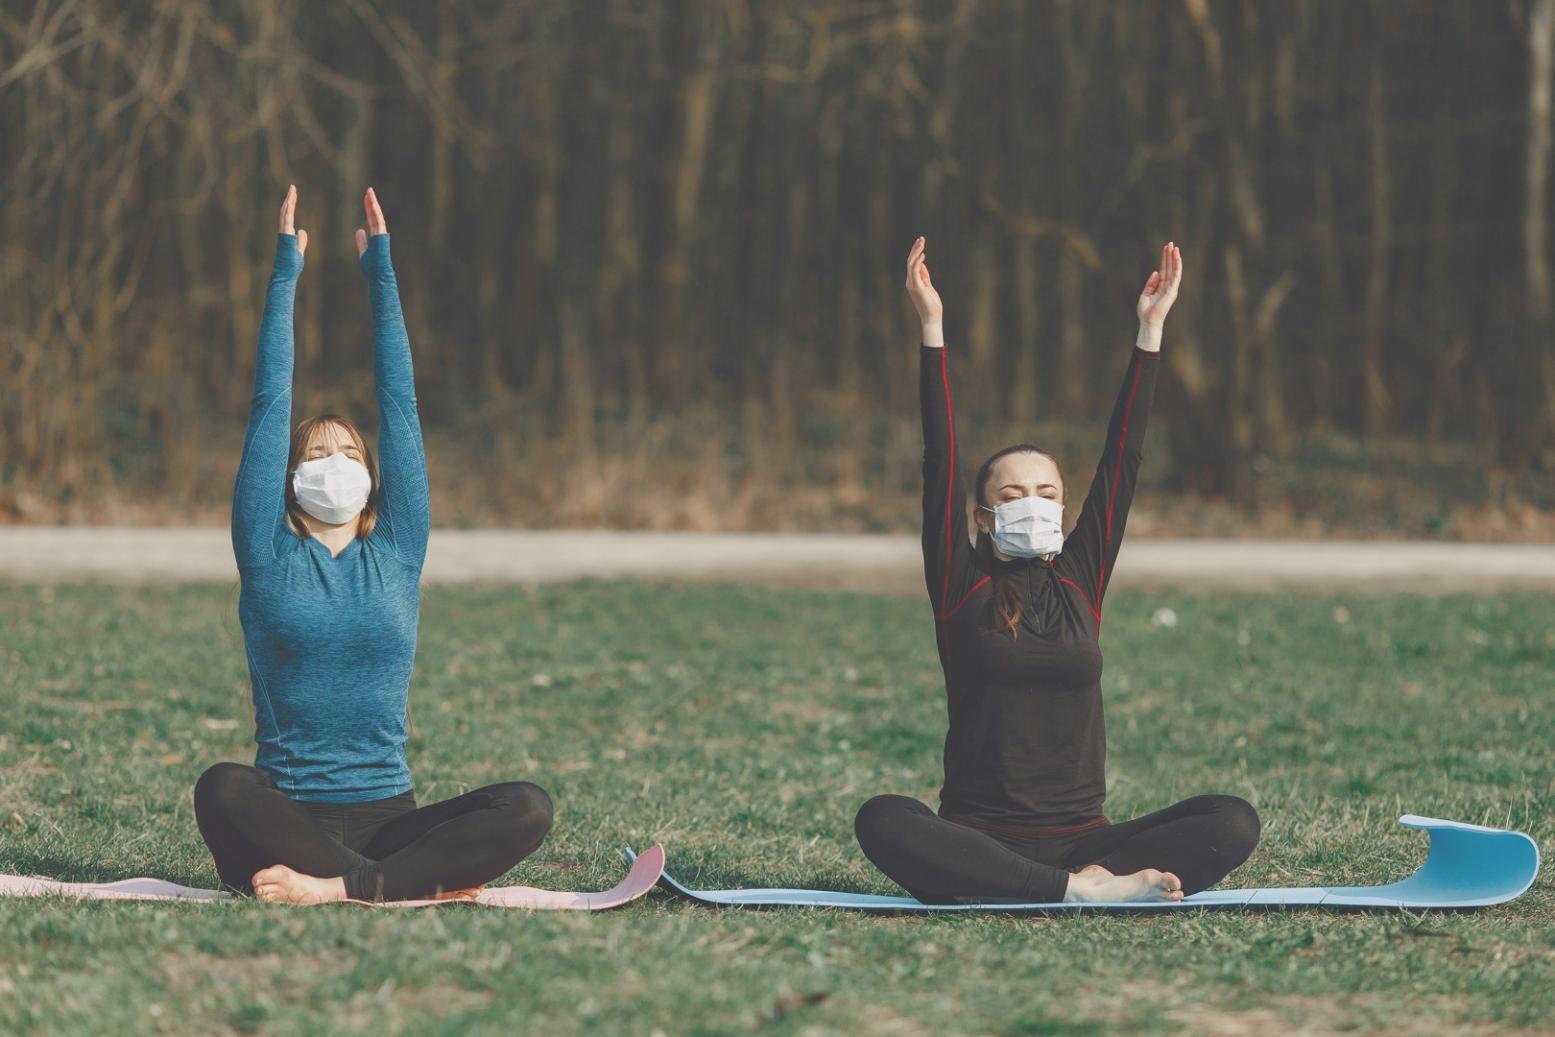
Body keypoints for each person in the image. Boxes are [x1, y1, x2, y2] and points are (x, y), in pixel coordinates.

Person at [853, 237, 1259, 904]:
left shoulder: (1080, 579)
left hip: (1089, 841)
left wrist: (1149, 331)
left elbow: (1122, 461)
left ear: (1065, 506)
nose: (1032, 505)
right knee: (883, 817)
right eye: (1011, 496)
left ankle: (1081, 880)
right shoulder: (961, 586)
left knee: (1231, 818)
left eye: (1046, 493)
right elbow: (938, 463)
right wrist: (931, 326)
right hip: (978, 837)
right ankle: (1075, 891)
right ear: (982, 517)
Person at [192, 186, 552, 904]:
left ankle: (342, 886)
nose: (336, 465)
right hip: (283, 817)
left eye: (350, 453)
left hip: (390, 819)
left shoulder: (397, 549)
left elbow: (402, 406)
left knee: (527, 804)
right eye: (318, 454)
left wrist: (381, 275)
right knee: (223, 785)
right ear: (290, 479)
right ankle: (398, 886)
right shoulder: (265, 555)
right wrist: (284, 275)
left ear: (371, 474)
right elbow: (270, 400)